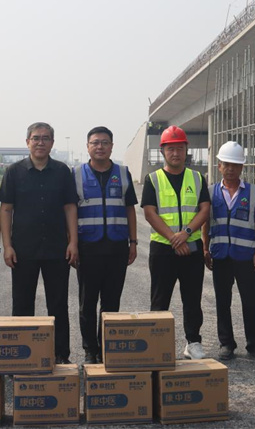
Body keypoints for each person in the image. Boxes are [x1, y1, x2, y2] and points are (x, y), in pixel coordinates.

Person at [0, 122, 78, 364]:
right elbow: (6, 210)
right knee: (22, 304)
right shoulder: (13, 172)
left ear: (52, 143)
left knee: (58, 304)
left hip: (57, 248)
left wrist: (73, 242)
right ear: (28, 142)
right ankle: (22, 356)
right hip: (23, 249)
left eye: (45, 138)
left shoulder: (62, 172)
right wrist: (7, 245)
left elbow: (70, 207)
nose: (40, 142)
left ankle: (60, 355)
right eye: (36, 138)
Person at [141, 125, 211, 360]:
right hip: (163, 248)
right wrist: (174, 238)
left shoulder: (197, 178)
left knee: (192, 298)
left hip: (191, 248)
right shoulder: (153, 179)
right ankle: (157, 344)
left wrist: (186, 232)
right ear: (162, 151)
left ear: (186, 150)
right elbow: (149, 213)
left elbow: (204, 209)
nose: (175, 153)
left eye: (179, 148)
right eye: (170, 149)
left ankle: (193, 342)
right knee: (160, 299)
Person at [73, 126, 138, 364]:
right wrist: (72, 244)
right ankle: (90, 350)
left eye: (104, 142)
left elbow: (130, 209)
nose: (99, 147)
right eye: (95, 142)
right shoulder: (76, 174)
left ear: (111, 146)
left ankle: (107, 347)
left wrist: (133, 242)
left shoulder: (123, 173)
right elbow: (69, 211)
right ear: (87, 146)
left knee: (111, 303)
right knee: (87, 302)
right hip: (87, 248)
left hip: (116, 247)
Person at [202, 141, 255, 361]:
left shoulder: (252, 192)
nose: (230, 169)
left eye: (235, 165)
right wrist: (205, 247)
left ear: (241, 167)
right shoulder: (210, 192)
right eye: (226, 164)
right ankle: (226, 343)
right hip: (220, 255)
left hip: (246, 256)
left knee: (250, 301)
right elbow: (206, 221)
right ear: (219, 166)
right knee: (223, 301)